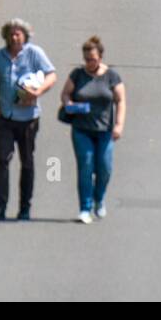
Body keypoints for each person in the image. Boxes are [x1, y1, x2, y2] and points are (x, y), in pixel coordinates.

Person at [0, 19, 56, 221]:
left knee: (27, 162)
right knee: (2, 160)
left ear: (25, 36)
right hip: (5, 118)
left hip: (28, 119)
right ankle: (0, 206)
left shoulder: (34, 53)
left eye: (18, 33)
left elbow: (51, 74)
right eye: (11, 34)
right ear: (6, 37)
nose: (15, 37)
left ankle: (25, 208)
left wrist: (38, 91)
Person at [60, 35, 125, 223]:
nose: (89, 63)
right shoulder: (77, 75)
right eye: (87, 59)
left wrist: (119, 125)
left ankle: (99, 198)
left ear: (101, 57)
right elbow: (65, 94)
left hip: (105, 130)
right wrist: (69, 104)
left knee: (104, 168)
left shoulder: (112, 76)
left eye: (93, 59)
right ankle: (85, 208)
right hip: (82, 129)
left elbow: (120, 100)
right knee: (86, 166)